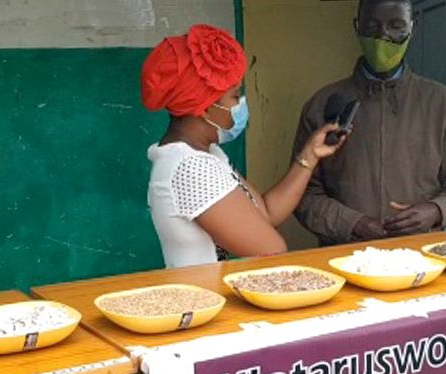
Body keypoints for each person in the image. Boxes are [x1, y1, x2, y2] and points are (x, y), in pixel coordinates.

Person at [142, 25, 346, 268]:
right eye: (235, 96)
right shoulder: (191, 168)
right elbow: (271, 249)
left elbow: (266, 213)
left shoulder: (205, 155)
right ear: (204, 107)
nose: (241, 104)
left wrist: (310, 155)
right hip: (205, 302)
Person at [292, 0, 446, 246]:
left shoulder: (443, 104)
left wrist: (435, 211)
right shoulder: (322, 104)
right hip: (344, 258)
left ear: (413, 27)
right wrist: (352, 223)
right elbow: (303, 194)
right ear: (357, 27)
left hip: (423, 258)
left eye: (396, 25)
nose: (384, 36)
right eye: (372, 26)